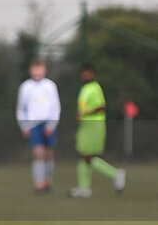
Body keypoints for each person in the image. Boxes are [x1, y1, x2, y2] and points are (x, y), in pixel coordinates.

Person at [69, 63, 126, 197]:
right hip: (85, 126)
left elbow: (101, 107)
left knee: (87, 156)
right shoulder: (84, 88)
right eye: (83, 73)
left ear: (93, 74)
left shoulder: (95, 87)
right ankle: (84, 188)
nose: (85, 75)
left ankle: (116, 174)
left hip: (94, 124)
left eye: (87, 72)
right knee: (82, 155)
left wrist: (84, 114)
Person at [15, 58, 61, 192]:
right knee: (38, 153)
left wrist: (51, 125)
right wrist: (24, 126)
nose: (37, 71)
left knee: (48, 154)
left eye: (39, 68)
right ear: (30, 70)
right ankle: (39, 183)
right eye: (35, 68)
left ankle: (48, 180)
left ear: (44, 70)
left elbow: (56, 107)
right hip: (33, 125)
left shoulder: (50, 86)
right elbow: (20, 109)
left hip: (48, 124)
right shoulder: (25, 87)